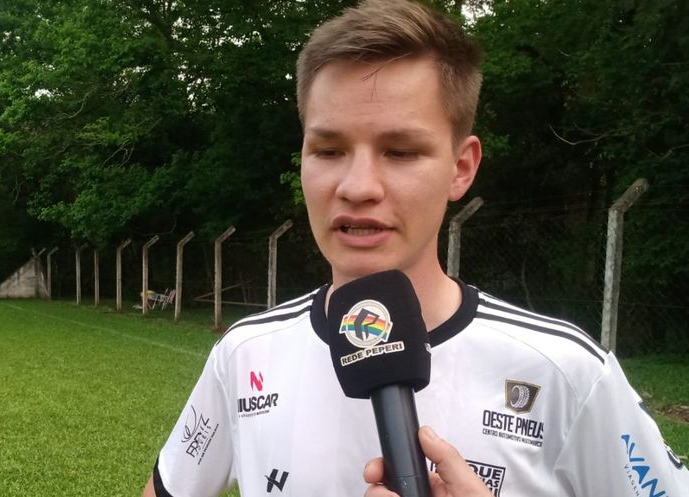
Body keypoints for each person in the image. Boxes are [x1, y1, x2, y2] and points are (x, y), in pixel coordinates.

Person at [142, 1, 689, 496]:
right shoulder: (244, 354)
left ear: (461, 168)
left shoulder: (566, 372)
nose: (358, 187)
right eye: (328, 150)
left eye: (401, 152)